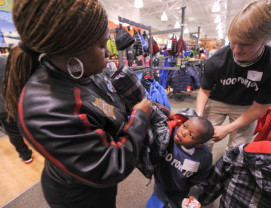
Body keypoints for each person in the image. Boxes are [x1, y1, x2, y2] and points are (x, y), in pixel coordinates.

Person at [2, 1, 152, 207]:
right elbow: (109, 166)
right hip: (78, 196)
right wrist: (140, 119)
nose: (108, 54)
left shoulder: (86, 72)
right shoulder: (43, 106)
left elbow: (110, 108)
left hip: (97, 187)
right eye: (102, 46)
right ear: (74, 50)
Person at [196, 0, 271, 151]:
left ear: (265, 41)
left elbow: (259, 108)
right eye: (233, 42)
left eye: (246, 44)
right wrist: (198, 116)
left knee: (238, 148)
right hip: (217, 99)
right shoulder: (217, 60)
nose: (236, 50)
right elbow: (204, 90)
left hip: (248, 106)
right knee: (202, 139)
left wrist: (227, 129)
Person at [151, 111, 214, 208]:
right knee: (155, 205)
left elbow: (200, 180)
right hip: (160, 185)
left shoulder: (204, 157)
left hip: (181, 194)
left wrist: (193, 196)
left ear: (198, 144)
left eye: (191, 135)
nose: (183, 132)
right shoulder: (168, 134)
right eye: (185, 126)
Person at [0, 54, 33, 164]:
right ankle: (40, 144)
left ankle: (26, 155)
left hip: (3, 107)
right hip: (18, 100)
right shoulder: (7, 60)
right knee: (29, 123)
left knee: (13, 132)